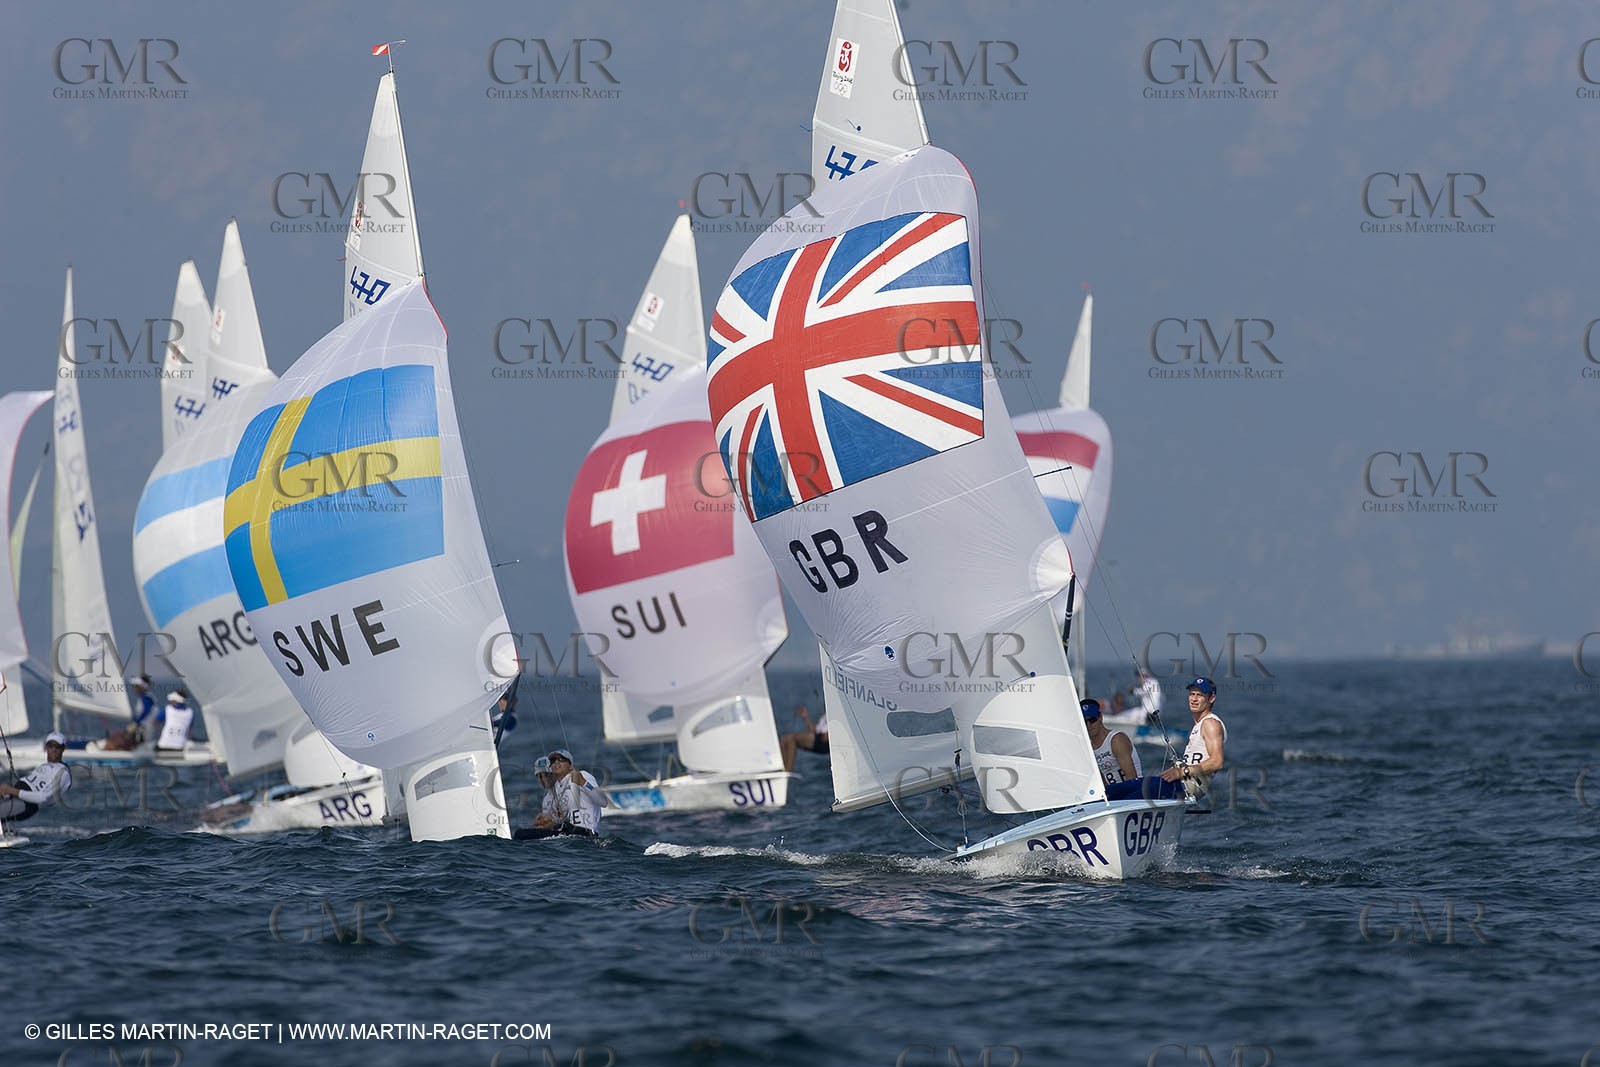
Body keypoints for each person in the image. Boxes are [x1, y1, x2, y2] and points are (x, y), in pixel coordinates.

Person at [514, 749, 607, 839]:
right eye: (553, 761)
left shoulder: (582, 775)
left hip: (585, 834)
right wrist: (543, 823)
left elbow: (603, 802)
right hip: (569, 834)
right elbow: (560, 820)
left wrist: (584, 782)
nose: (556, 763)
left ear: (570, 766)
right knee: (522, 834)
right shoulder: (559, 789)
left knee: (520, 834)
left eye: (561, 760)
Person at [1159, 676, 1226, 796]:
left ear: (1211, 698)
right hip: (1184, 782)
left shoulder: (1210, 723)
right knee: (1126, 788)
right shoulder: (1200, 724)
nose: (1194, 699)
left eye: (1199, 695)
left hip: (1190, 785)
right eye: (1192, 694)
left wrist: (1182, 771)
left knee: (1132, 791)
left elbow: (1217, 762)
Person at [0, 732, 73, 823]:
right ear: (46, 747)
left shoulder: (63, 773)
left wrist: (11, 791)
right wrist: (6, 792)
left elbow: (43, 797)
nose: (53, 749)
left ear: (63, 749)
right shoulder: (43, 766)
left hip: (26, 804)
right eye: (50, 745)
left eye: (57, 746)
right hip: (14, 795)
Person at [1081, 699, 1140, 787]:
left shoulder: (1116, 740)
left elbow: (1132, 779)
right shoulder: (1088, 748)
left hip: (1133, 791)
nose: (1088, 725)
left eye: (1092, 720)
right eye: (1084, 722)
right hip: (1113, 795)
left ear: (1100, 717)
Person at [779, 704, 828, 772]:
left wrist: (825, 734)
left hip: (825, 744)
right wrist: (805, 716)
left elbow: (825, 738)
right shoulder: (825, 716)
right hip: (817, 738)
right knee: (784, 739)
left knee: (792, 739)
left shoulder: (835, 717)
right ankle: (783, 768)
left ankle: (788, 770)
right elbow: (815, 730)